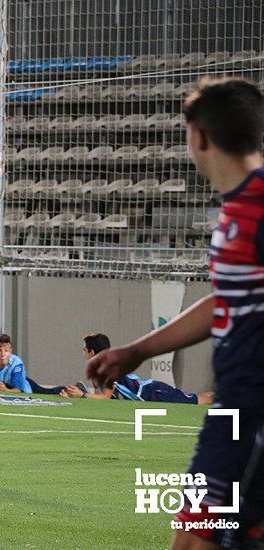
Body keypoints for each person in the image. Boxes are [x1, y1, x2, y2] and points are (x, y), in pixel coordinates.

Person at [87, 78, 264, 549]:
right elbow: (226, 299)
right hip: (233, 411)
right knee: (195, 537)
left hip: (254, 414)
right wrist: (137, 350)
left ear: (199, 137)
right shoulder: (236, 210)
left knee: (196, 539)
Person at [61, 333, 213, 404]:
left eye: (84, 349)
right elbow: (101, 400)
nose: (83, 352)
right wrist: (75, 397)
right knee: (201, 398)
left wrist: (81, 395)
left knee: (201, 400)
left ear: (92, 352)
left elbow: (105, 398)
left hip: (153, 393)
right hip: (148, 394)